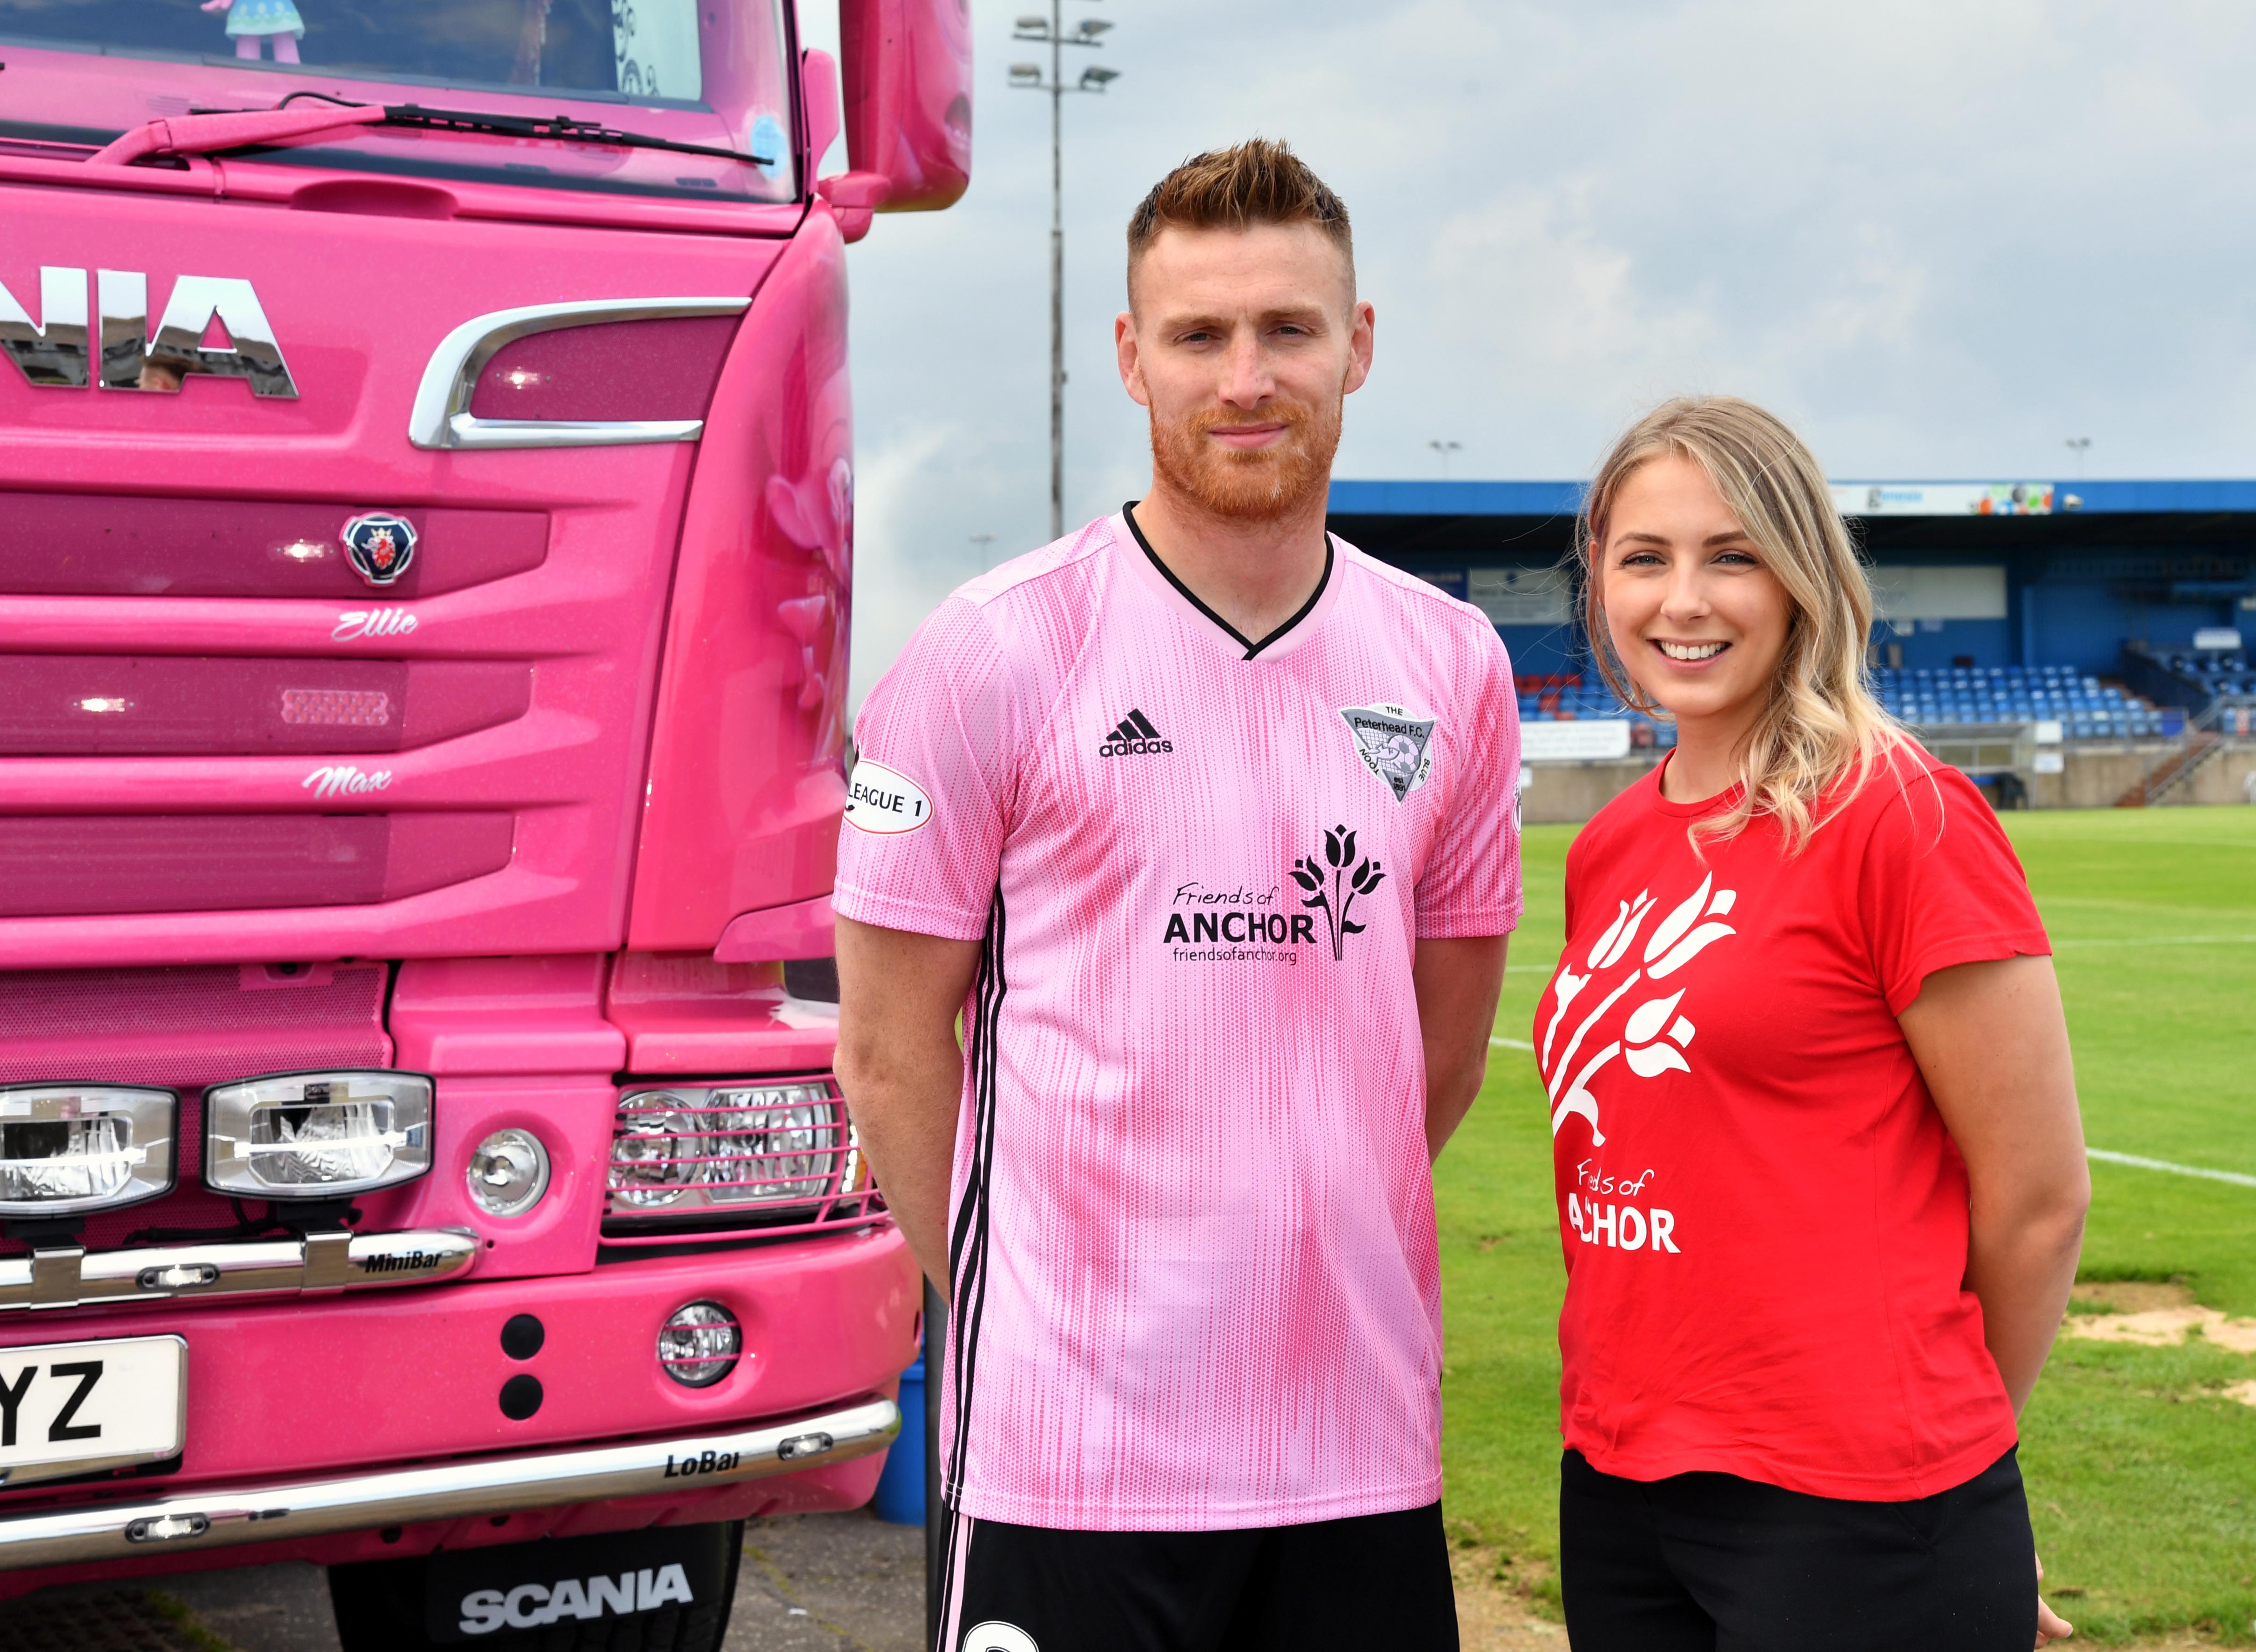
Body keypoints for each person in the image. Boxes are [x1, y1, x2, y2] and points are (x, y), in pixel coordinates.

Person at [829, 139, 1522, 1652]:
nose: (1248, 376)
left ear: (1361, 346)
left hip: (1356, 1441)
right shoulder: (996, 649)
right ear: (1135, 361)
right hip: (1071, 1459)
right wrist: (1032, 1316)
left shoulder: (1451, 662)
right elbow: (887, 1054)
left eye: (1289, 329)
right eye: (1201, 336)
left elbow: (1439, 1049)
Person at [1534, 397, 2088, 1649]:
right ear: (1601, 587)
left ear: (1802, 580)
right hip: (1620, 1478)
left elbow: (2041, 1195)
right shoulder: (1615, 847)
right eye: (1645, 559)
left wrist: (1953, 1481)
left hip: (1857, 1500)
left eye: (1732, 555)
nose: (1686, 600)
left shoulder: (1902, 818)